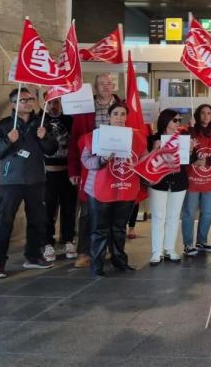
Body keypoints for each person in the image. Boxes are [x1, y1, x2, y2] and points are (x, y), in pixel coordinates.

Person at [0, 87, 58, 279]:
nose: (28, 102)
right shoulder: (3, 126)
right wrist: (8, 141)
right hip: (11, 181)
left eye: (30, 99)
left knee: (37, 220)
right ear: (14, 104)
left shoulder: (41, 124)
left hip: (36, 180)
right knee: (3, 222)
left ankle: (33, 257)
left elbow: (52, 150)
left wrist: (45, 138)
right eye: (23, 100)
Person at [80, 102, 145, 276]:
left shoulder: (136, 137)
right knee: (99, 229)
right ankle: (97, 266)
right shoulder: (95, 136)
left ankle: (120, 262)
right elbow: (86, 161)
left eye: (123, 114)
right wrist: (101, 160)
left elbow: (142, 160)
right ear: (109, 116)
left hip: (125, 188)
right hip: (99, 189)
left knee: (119, 228)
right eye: (115, 113)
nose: (119, 117)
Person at [68, 73, 121, 268]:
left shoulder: (123, 107)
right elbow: (75, 141)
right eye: (102, 84)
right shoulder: (85, 108)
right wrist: (73, 169)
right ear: (96, 87)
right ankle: (84, 252)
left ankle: (107, 249)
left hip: (116, 168)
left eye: (109, 83)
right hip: (90, 166)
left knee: (112, 211)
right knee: (88, 211)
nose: (106, 87)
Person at [182, 104, 211, 256]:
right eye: (202, 113)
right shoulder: (188, 132)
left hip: (209, 181)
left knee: (207, 213)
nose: (206, 116)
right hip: (191, 180)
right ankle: (188, 244)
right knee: (189, 213)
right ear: (197, 115)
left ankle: (202, 241)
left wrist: (207, 162)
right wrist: (191, 130)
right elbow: (185, 152)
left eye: (209, 113)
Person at [147, 109, 188, 265]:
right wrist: (154, 150)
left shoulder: (183, 138)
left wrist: (191, 150)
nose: (178, 123)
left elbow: (188, 161)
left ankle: (169, 248)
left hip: (178, 181)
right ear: (166, 121)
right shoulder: (153, 138)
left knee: (173, 217)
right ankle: (156, 251)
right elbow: (145, 162)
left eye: (179, 120)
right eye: (175, 120)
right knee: (158, 216)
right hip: (159, 182)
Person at [42, 95, 76, 262]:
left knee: (69, 207)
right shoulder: (40, 120)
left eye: (56, 102)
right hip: (48, 172)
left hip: (68, 171)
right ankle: (47, 242)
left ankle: (68, 239)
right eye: (50, 102)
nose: (53, 106)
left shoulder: (70, 120)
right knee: (48, 209)